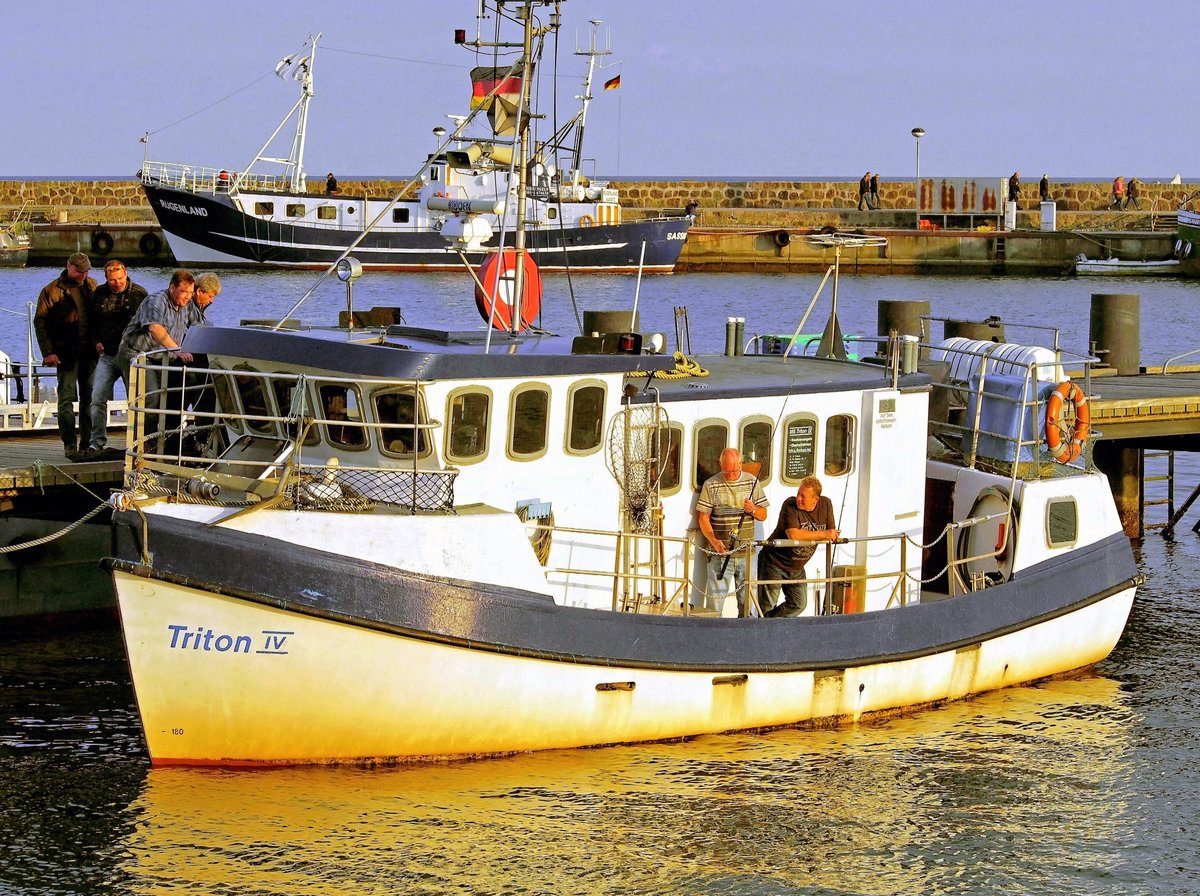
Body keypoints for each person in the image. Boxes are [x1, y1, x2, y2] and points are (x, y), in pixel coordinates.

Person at [115, 270, 196, 448]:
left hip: (163, 357)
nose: (188, 297)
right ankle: (143, 447)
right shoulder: (156, 301)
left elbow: (198, 324)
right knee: (148, 398)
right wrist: (177, 349)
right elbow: (155, 328)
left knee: (179, 390)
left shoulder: (187, 305)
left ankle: (168, 442)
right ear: (172, 287)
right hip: (137, 353)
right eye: (184, 292)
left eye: (191, 293)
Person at [34, 252, 98, 459]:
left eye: (86, 270)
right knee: (66, 401)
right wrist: (48, 352)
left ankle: (87, 443)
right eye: (79, 271)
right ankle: (69, 444)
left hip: (89, 352)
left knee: (90, 399)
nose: (82, 274)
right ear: (68, 266)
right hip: (65, 353)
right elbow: (40, 323)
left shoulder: (92, 285)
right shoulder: (52, 291)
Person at [84, 259, 148, 457]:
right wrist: (95, 341)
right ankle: (96, 442)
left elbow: (147, 327)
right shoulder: (99, 294)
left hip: (131, 356)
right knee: (97, 399)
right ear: (106, 279)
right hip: (107, 356)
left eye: (120, 278)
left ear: (126, 273)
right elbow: (91, 323)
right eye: (112, 280)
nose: (117, 282)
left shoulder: (140, 294)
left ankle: (138, 441)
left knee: (136, 401)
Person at [696, 447, 768, 614]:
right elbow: (703, 518)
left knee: (748, 605)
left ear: (741, 464)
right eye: (726, 471)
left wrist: (753, 510)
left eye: (734, 471)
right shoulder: (711, 484)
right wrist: (714, 541)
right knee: (715, 605)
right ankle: (714, 637)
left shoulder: (751, 481)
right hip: (719, 555)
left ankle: (746, 635)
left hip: (746, 555)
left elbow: (763, 514)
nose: (731, 475)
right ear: (720, 465)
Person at [756, 476, 839, 618]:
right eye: (798, 493)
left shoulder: (826, 504)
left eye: (803, 496)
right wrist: (824, 533)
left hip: (796, 566)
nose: (798, 498)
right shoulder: (789, 504)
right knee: (767, 605)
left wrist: (827, 534)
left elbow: (832, 533)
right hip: (773, 561)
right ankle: (766, 628)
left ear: (816, 499)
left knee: (799, 603)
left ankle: (770, 623)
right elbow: (793, 534)